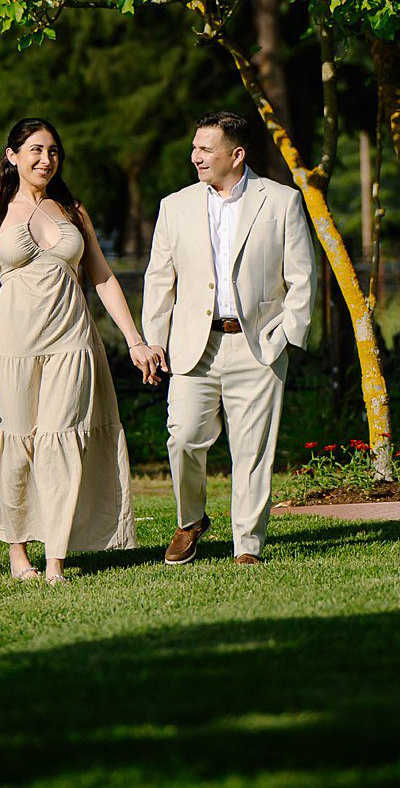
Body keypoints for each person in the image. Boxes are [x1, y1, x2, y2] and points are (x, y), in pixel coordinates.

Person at [0, 118, 165, 582]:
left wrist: (135, 341)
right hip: (10, 346)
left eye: (52, 151)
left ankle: (56, 560)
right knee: (17, 444)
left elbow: (103, 278)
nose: (45, 159)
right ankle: (18, 556)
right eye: (35, 149)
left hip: (72, 342)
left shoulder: (73, 210)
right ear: (12, 155)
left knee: (61, 440)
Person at [141, 110, 316, 566]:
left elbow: (303, 277)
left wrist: (286, 334)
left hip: (257, 344)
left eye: (205, 149)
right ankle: (190, 521)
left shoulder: (281, 201)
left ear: (236, 155)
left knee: (252, 449)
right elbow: (160, 280)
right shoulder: (174, 206)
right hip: (192, 346)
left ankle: (248, 545)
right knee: (182, 439)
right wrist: (153, 339)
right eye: (195, 147)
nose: (194, 156)